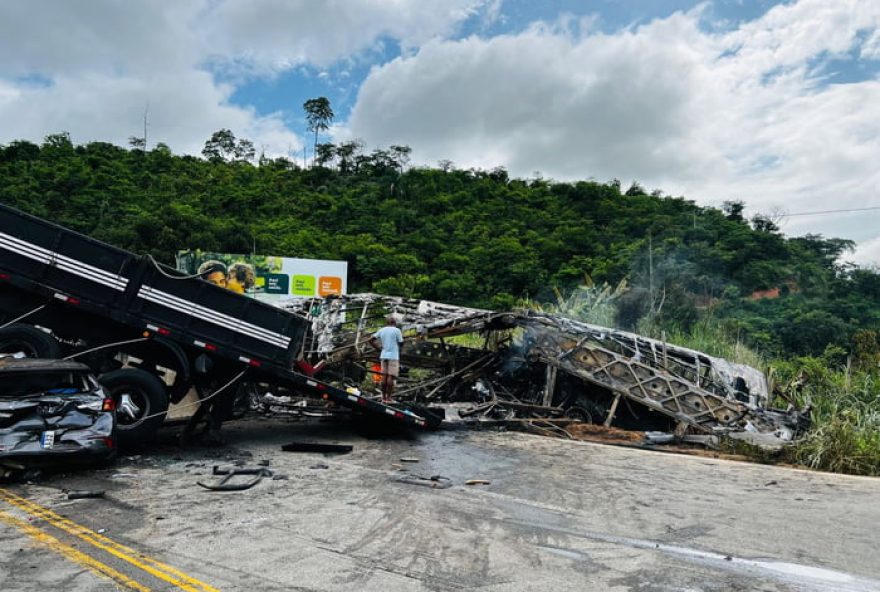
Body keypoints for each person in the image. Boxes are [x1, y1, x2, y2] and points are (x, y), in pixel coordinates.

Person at [370, 315, 404, 402]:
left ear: (387, 323)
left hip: (383, 355)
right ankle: (389, 398)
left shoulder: (382, 330)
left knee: (384, 376)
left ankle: (383, 397)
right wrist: (399, 348)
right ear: (394, 323)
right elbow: (401, 342)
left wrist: (378, 348)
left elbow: (370, 340)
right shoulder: (397, 330)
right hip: (393, 356)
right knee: (390, 377)